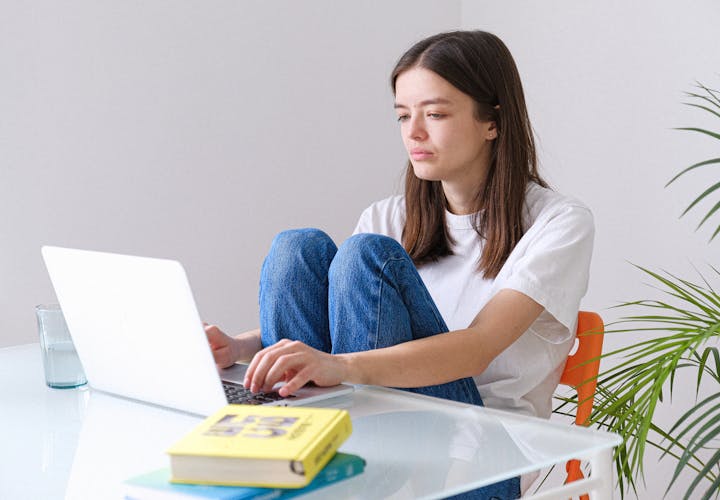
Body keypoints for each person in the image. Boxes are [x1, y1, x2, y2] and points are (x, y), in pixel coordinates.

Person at [204, 30, 594, 499]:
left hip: (481, 459)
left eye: (435, 114)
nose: (414, 133)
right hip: (377, 439)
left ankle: (342, 478)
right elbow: (327, 339)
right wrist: (240, 346)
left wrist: (341, 366)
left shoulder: (558, 222)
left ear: (493, 120)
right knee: (296, 248)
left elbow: (477, 347)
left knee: (364, 256)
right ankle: (305, 458)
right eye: (403, 115)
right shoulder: (391, 216)